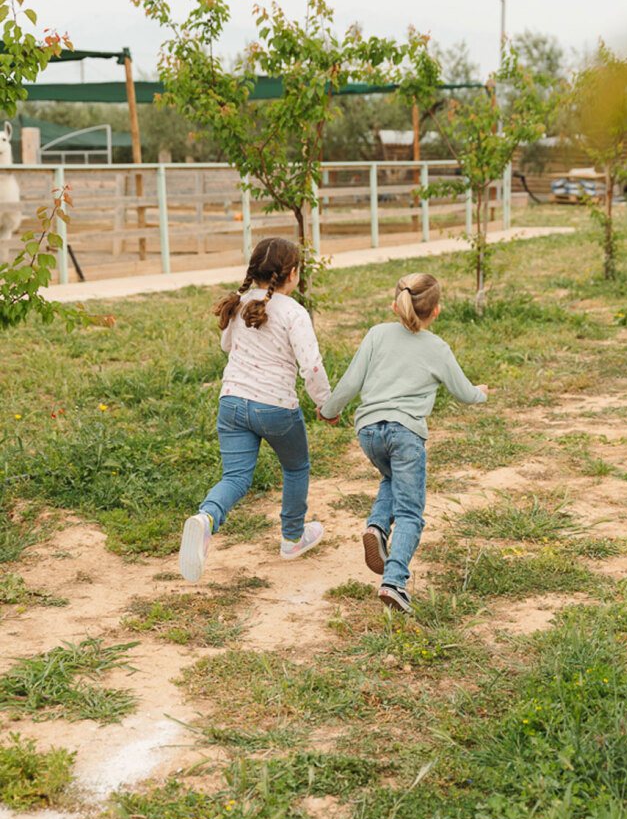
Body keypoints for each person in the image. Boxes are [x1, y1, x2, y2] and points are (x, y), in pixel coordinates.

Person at [318, 272, 488, 614]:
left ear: (395, 304)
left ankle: (377, 527)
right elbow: (464, 392)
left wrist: (330, 410)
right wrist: (481, 394)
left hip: (368, 431)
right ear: (436, 311)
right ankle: (394, 582)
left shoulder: (377, 334)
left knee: (392, 478)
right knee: (410, 511)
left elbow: (351, 381)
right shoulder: (437, 348)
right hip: (406, 434)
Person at [179, 237, 332, 582]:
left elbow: (227, 345)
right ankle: (292, 538)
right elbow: (312, 368)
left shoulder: (239, 303)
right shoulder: (294, 312)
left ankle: (206, 518)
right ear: (292, 274)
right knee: (296, 468)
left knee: (234, 477)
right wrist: (325, 403)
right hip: (276, 408)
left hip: (231, 404)